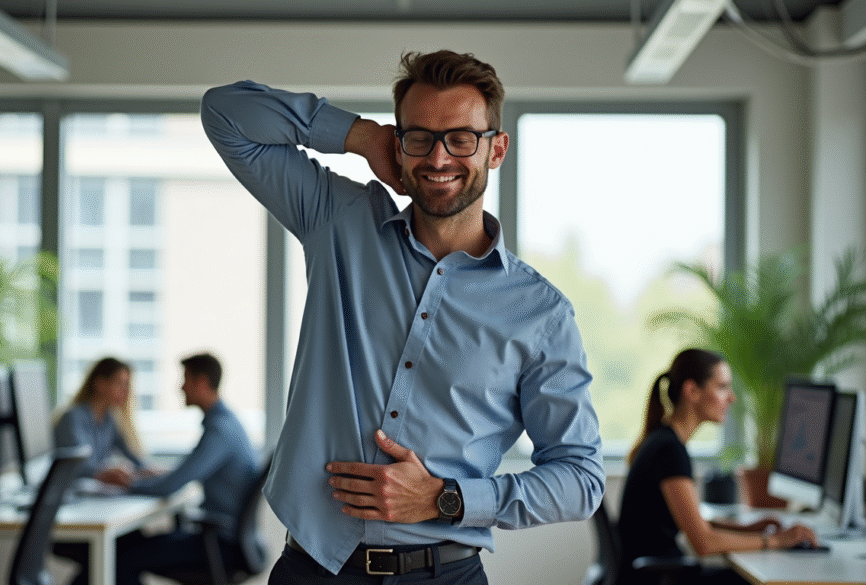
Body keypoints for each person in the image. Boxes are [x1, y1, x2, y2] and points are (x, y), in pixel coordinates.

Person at [201, 49, 604, 584]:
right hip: (314, 570)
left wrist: (449, 498)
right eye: (420, 138)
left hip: (446, 573)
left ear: (497, 149)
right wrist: (362, 136)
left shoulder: (541, 313)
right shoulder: (338, 220)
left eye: (461, 138)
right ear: (400, 143)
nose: (438, 159)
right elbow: (225, 114)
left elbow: (582, 478)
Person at [617, 348, 818, 585]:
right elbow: (703, 542)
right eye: (722, 387)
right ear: (692, 391)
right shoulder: (669, 450)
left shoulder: (664, 441)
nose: (731, 398)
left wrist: (751, 529)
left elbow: (693, 522)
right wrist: (775, 541)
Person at [117, 352, 259, 585]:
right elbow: (186, 472)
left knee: (123, 557)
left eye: (185, 379)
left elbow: (171, 486)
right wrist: (161, 476)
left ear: (201, 383)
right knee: (128, 544)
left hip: (221, 545)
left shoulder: (219, 431)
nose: (181, 387)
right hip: (230, 540)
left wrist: (127, 484)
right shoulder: (227, 423)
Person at [54, 356, 154, 487]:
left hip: (92, 491)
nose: (125, 391)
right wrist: (106, 473)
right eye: (120, 384)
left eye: (126, 385)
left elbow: (132, 454)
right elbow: (80, 465)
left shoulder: (110, 420)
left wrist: (149, 469)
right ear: (100, 384)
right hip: (71, 491)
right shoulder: (72, 417)